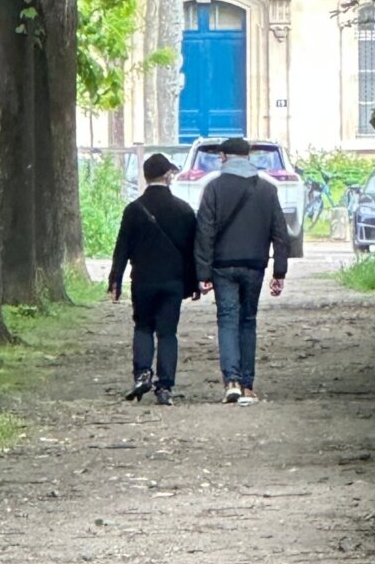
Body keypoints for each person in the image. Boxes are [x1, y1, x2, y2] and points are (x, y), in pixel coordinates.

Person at [194, 137, 289, 404]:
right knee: (248, 321)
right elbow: (280, 233)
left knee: (227, 320)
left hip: (223, 266)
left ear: (224, 157)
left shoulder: (213, 188)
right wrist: (279, 271)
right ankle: (248, 385)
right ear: (248, 157)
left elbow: (204, 231)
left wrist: (202, 273)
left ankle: (231, 382)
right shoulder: (267, 190)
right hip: (254, 264)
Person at [108, 152, 198, 407]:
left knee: (143, 327)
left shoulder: (134, 210)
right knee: (168, 333)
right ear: (168, 175)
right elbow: (193, 250)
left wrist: (115, 279)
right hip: (173, 282)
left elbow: (122, 248)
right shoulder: (183, 210)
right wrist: (195, 283)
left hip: (143, 280)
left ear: (146, 177)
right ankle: (165, 387)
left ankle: (142, 373)